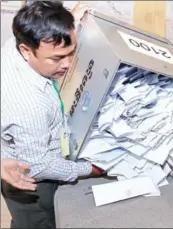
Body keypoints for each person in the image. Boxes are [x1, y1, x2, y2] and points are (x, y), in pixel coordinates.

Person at [1, 2, 102, 228]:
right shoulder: (29, 102)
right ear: (26, 50)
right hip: (33, 185)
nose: (67, 64)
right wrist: (90, 169)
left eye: (70, 53)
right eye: (57, 58)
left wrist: (70, 21)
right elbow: (38, 166)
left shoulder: (13, 45)